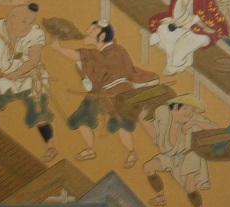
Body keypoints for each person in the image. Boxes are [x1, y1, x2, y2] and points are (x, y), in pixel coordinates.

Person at [51, 18, 157, 168]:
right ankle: (92, 149)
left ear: (102, 36)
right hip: (102, 93)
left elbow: (79, 56)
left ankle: (131, 152)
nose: (87, 31)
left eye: (92, 30)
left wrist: (59, 48)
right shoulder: (107, 52)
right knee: (82, 117)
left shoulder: (111, 52)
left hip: (118, 93)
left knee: (121, 122)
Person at [0, 3, 57, 162]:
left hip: (31, 78)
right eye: (24, 21)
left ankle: (51, 147)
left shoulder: (35, 34)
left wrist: (16, 74)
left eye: (31, 22)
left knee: (38, 113)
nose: (28, 25)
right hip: (11, 77)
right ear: (11, 19)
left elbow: (33, 61)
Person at [142, 94, 217, 207]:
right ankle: (160, 197)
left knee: (189, 187)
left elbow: (216, 128)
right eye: (185, 109)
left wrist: (195, 123)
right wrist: (143, 120)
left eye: (191, 110)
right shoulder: (164, 121)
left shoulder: (193, 119)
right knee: (148, 167)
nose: (189, 113)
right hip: (171, 157)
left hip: (191, 157)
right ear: (174, 108)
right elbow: (155, 135)